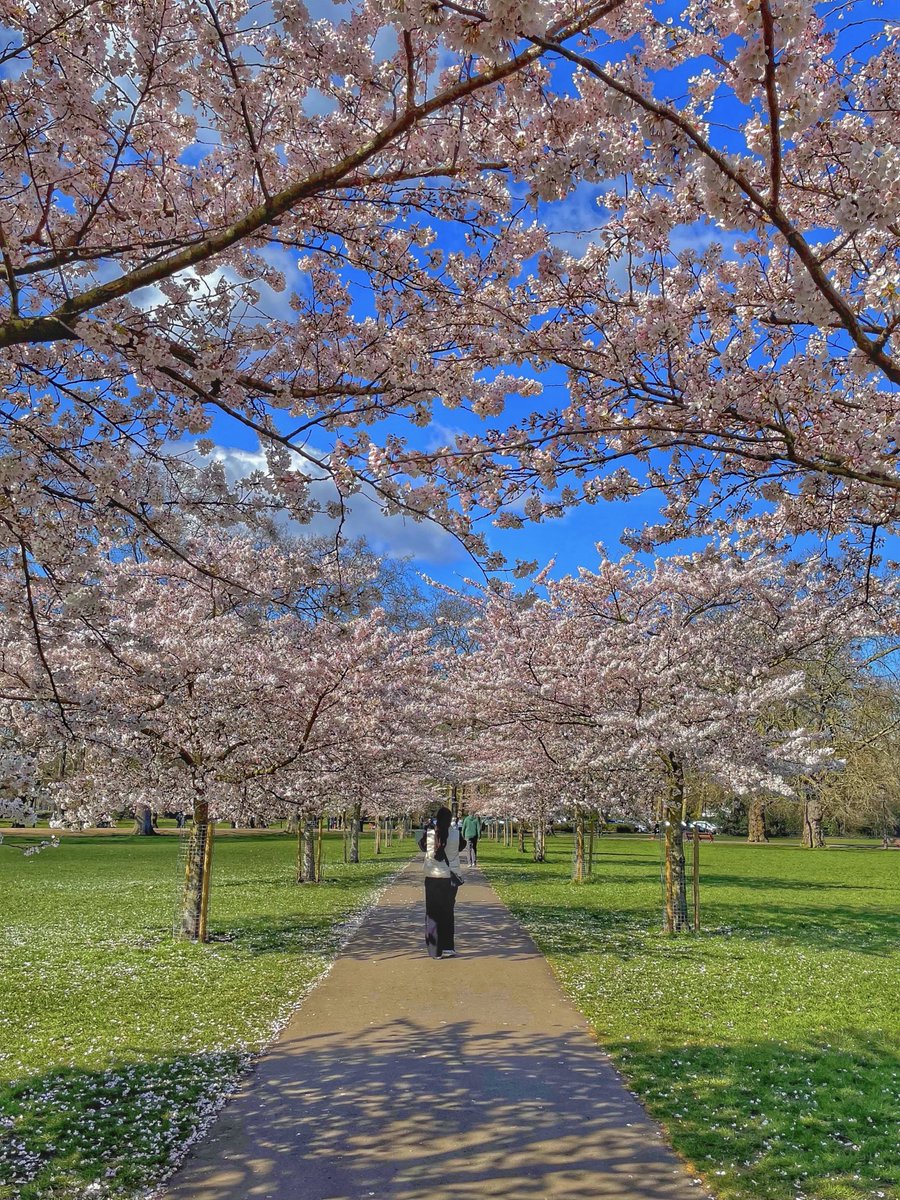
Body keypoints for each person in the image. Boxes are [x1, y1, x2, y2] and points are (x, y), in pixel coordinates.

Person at [418, 806, 466, 959]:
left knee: (432, 913)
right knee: (447, 912)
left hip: (432, 877)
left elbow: (421, 846)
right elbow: (462, 847)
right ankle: (448, 947)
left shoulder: (430, 834)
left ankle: (435, 950)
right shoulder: (456, 835)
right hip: (449, 878)